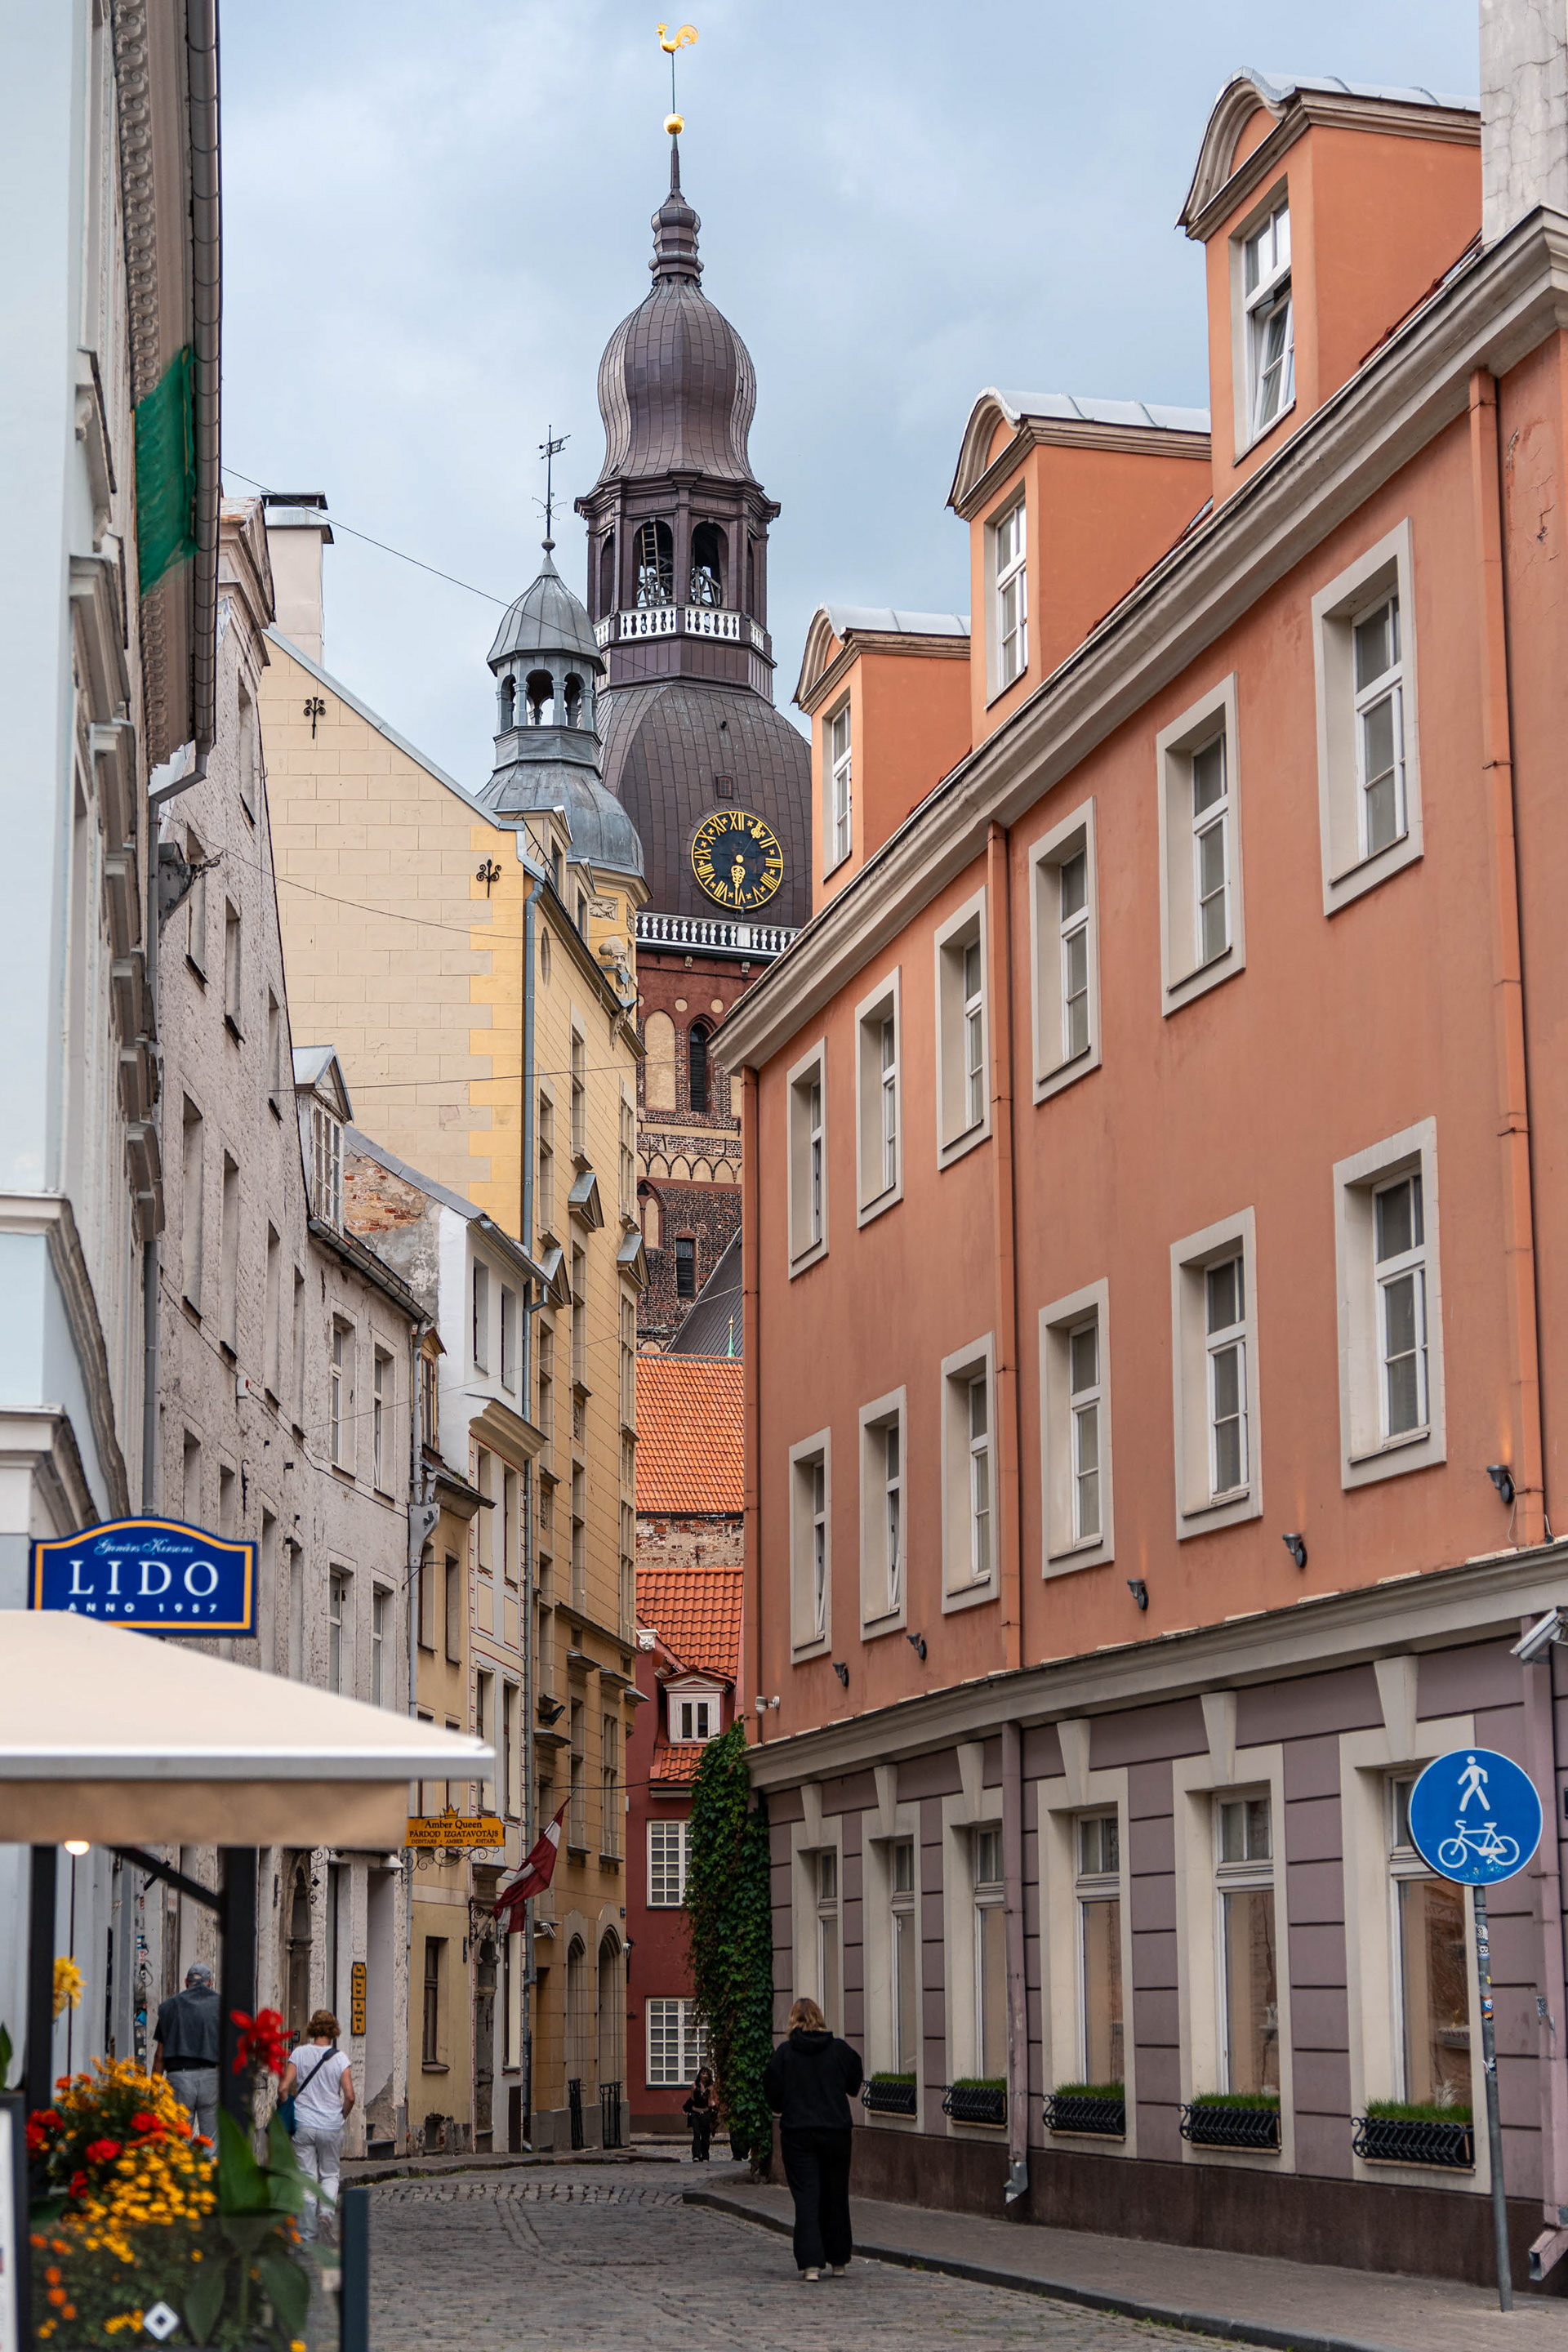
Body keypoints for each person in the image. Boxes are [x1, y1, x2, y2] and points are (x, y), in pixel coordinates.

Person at [762, 1998, 862, 2283]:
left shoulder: (785, 2054)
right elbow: (854, 2083)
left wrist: (786, 2104)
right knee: (835, 2195)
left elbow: (772, 2090)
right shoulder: (839, 2050)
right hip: (836, 2133)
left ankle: (811, 2265)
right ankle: (839, 2259)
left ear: (793, 2020)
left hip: (799, 2134)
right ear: (819, 2018)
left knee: (807, 2197)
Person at [279, 2010, 354, 2244]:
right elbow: (350, 2096)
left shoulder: (299, 2054)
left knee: (307, 2176)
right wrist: (340, 2117)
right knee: (330, 2174)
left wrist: (287, 2109)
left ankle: (307, 2232)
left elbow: (283, 2088)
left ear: (312, 2028)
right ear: (334, 2032)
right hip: (331, 2124)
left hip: (303, 2123)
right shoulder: (340, 2059)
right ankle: (325, 2216)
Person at [152, 1962, 220, 2145]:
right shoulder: (221, 2006)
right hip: (210, 2078)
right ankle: (210, 2171)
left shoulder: (170, 2007)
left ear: (185, 1982)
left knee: (178, 2141)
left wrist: (152, 2089)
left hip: (178, 2079)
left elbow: (160, 2055)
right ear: (210, 1983)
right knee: (210, 2142)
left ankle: (180, 2172)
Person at [683, 2065, 718, 2163]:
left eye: (707, 2074)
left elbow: (711, 2100)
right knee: (697, 2134)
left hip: (705, 2112)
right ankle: (696, 2155)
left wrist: (714, 2110)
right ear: (700, 2075)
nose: (705, 2076)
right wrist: (686, 2108)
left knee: (706, 2136)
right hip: (695, 2113)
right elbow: (692, 2099)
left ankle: (705, 2156)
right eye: (703, 2074)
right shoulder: (694, 2086)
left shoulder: (710, 2087)